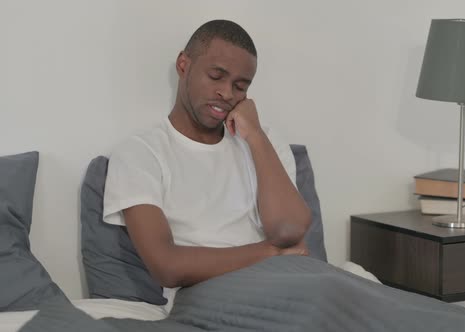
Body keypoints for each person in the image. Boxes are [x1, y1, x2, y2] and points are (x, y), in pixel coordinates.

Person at [102, 19, 312, 299]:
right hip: (212, 296)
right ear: (183, 65)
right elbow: (167, 266)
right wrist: (272, 253)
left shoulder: (263, 141)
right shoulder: (139, 154)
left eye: (240, 86)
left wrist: (257, 137)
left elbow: (289, 229)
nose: (226, 93)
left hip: (288, 285)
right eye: (216, 76)